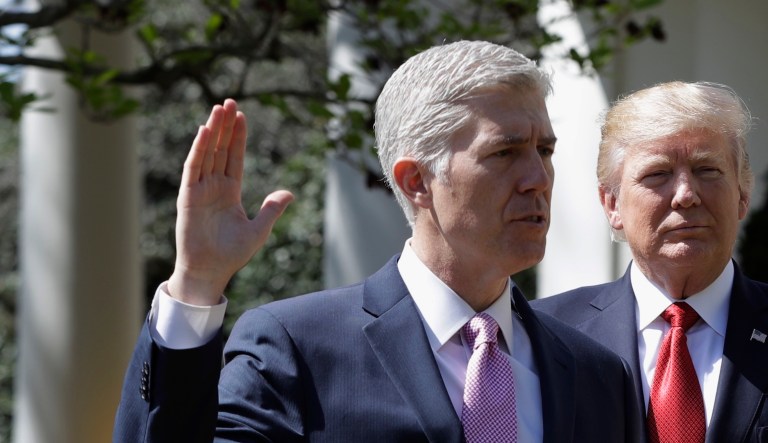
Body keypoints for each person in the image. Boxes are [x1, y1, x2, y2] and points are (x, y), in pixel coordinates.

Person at [113, 40, 640, 443]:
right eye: (505, 153)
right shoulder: (296, 349)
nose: (537, 178)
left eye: (544, 151)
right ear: (416, 181)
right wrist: (196, 286)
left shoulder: (595, 372)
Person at [532, 81, 768, 443]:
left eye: (708, 170)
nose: (686, 195)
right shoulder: (542, 334)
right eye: (657, 174)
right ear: (612, 204)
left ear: (742, 195)